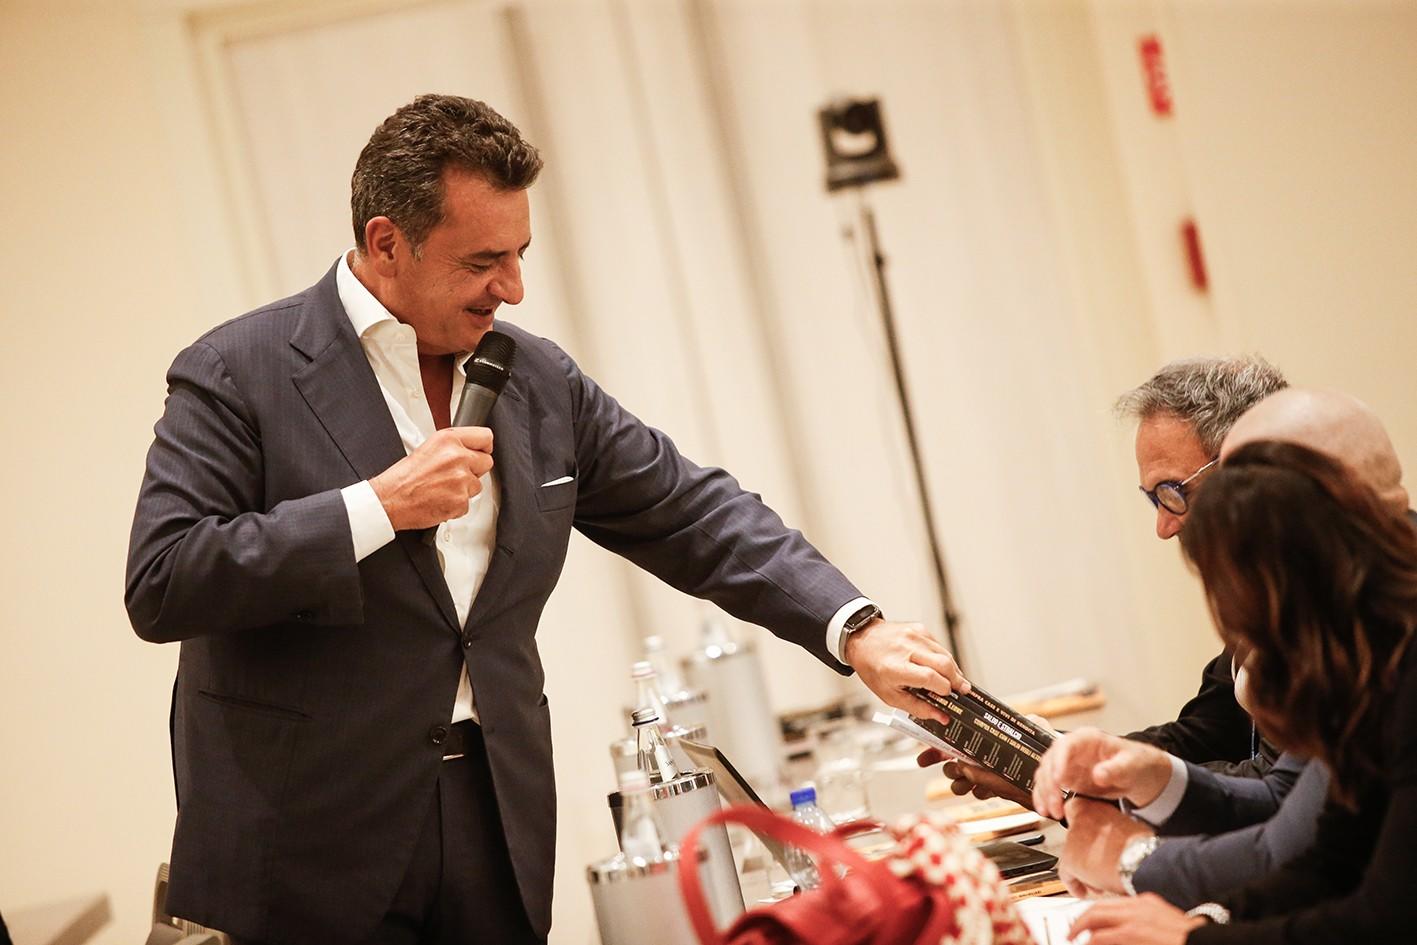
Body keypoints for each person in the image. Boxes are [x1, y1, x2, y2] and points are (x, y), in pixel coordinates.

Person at [123, 95, 965, 945]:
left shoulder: (537, 377)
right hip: (302, 844)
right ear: (386, 243)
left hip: (493, 816)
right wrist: (376, 506)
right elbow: (163, 579)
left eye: (519, 255)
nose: (513, 289)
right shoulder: (237, 370)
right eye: (482, 261)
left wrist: (854, 628)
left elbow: (689, 510)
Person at [1035, 388, 1413, 906]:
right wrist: (1148, 775)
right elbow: (1290, 805)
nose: (1166, 525)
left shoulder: (1385, 633)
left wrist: (1132, 865)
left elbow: (1329, 878)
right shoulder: (1360, 612)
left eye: (1174, 492)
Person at [927, 356, 1288, 804]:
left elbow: (1278, 793)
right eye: (1153, 500)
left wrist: (1093, 785)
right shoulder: (1263, 588)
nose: (1164, 527)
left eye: (1172, 492)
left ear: (1247, 467)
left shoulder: (1325, 595)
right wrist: (1048, 754)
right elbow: (1206, 736)